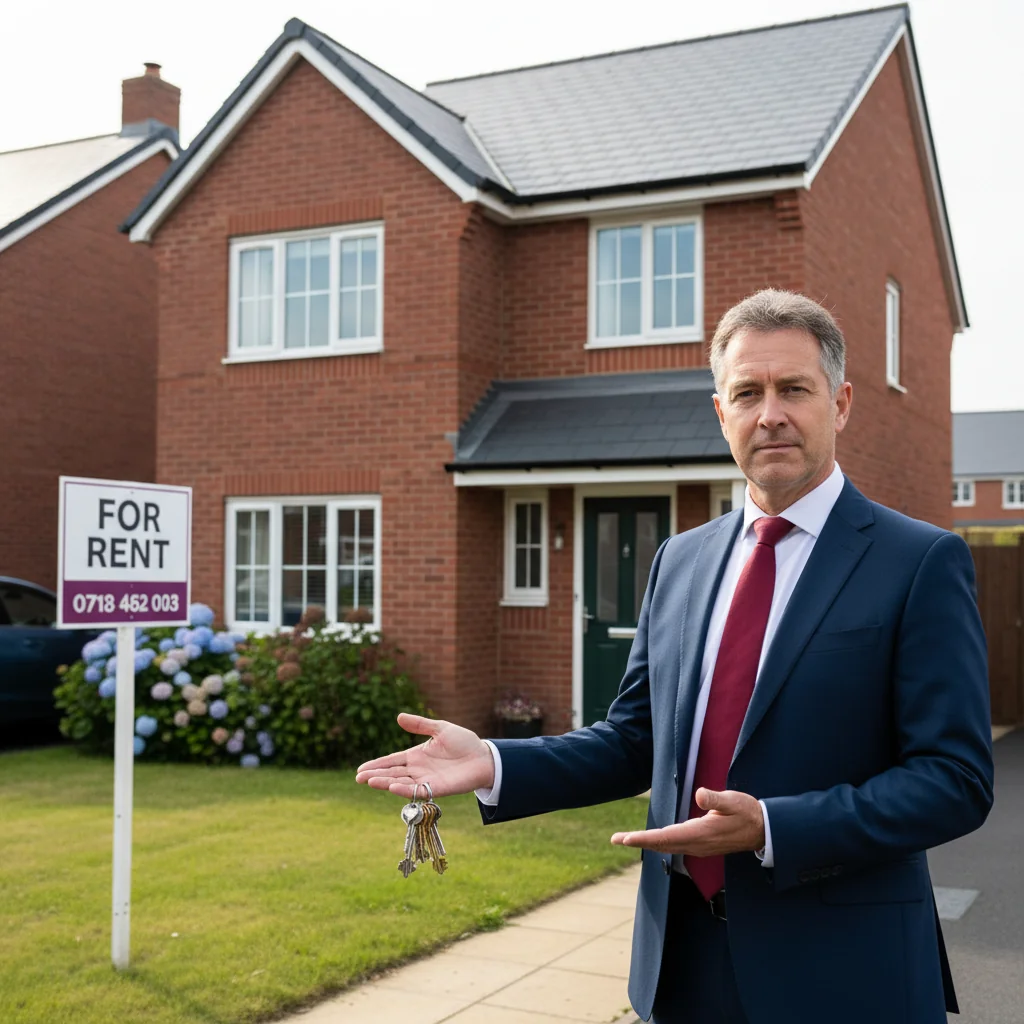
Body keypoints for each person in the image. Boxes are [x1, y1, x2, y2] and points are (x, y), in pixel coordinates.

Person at [356, 289, 994, 1024]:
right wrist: (497, 763)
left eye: (794, 389)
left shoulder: (918, 561)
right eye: (747, 393)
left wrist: (774, 825)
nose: (771, 413)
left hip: (843, 970)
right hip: (679, 966)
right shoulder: (681, 561)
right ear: (721, 413)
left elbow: (955, 779)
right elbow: (636, 741)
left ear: (841, 402)